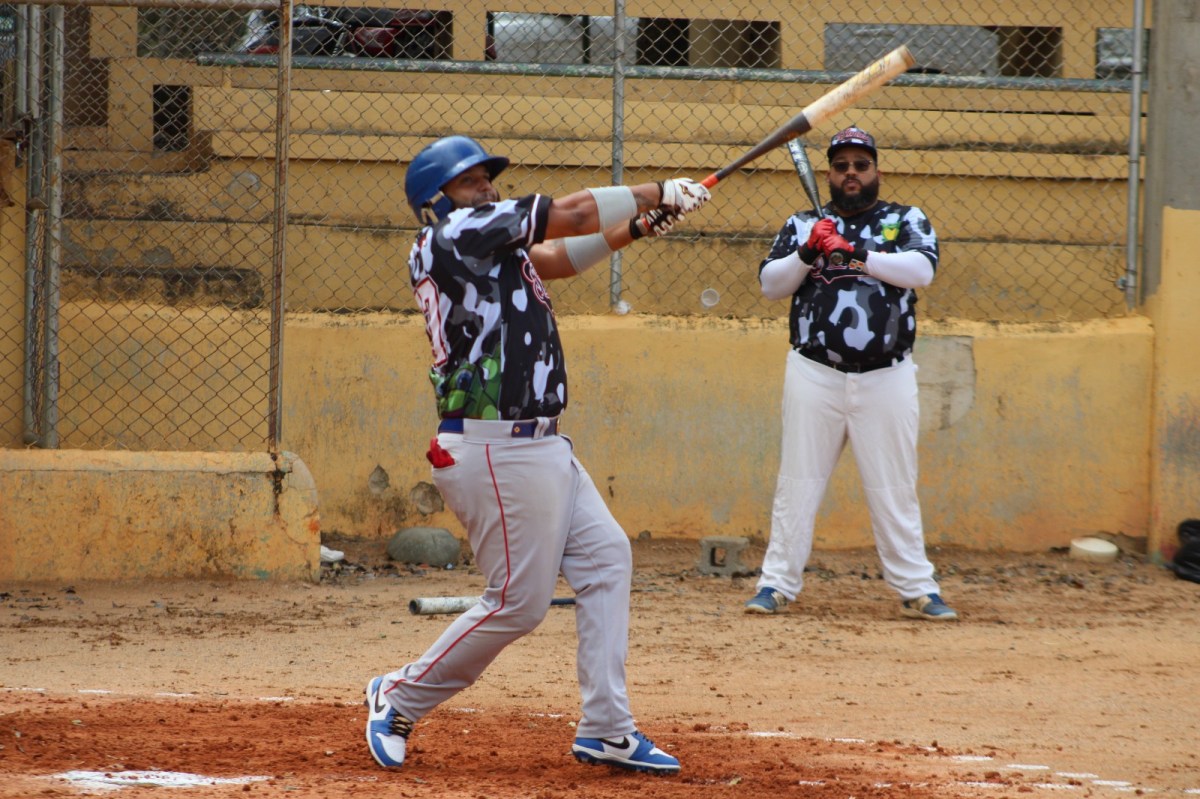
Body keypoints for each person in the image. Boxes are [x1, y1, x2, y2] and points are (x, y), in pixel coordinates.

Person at [364, 135, 710, 776]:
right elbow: (575, 213)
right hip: (496, 446)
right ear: (435, 200)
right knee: (517, 602)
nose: (487, 187)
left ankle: (607, 727)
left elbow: (556, 258)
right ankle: (399, 695)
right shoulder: (456, 234)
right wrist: (659, 190)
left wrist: (634, 227)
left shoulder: (490, 248)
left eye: (487, 179)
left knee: (607, 559)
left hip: (541, 444)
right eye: (470, 181)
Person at [744, 126, 958, 622]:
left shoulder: (906, 219)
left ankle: (918, 588)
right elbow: (770, 286)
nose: (851, 174)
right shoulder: (802, 225)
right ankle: (775, 584)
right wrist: (808, 252)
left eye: (861, 165)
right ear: (830, 174)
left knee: (894, 486)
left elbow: (921, 271)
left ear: (876, 171)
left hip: (887, 374)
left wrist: (856, 254)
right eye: (841, 166)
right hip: (814, 372)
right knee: (797, 482)